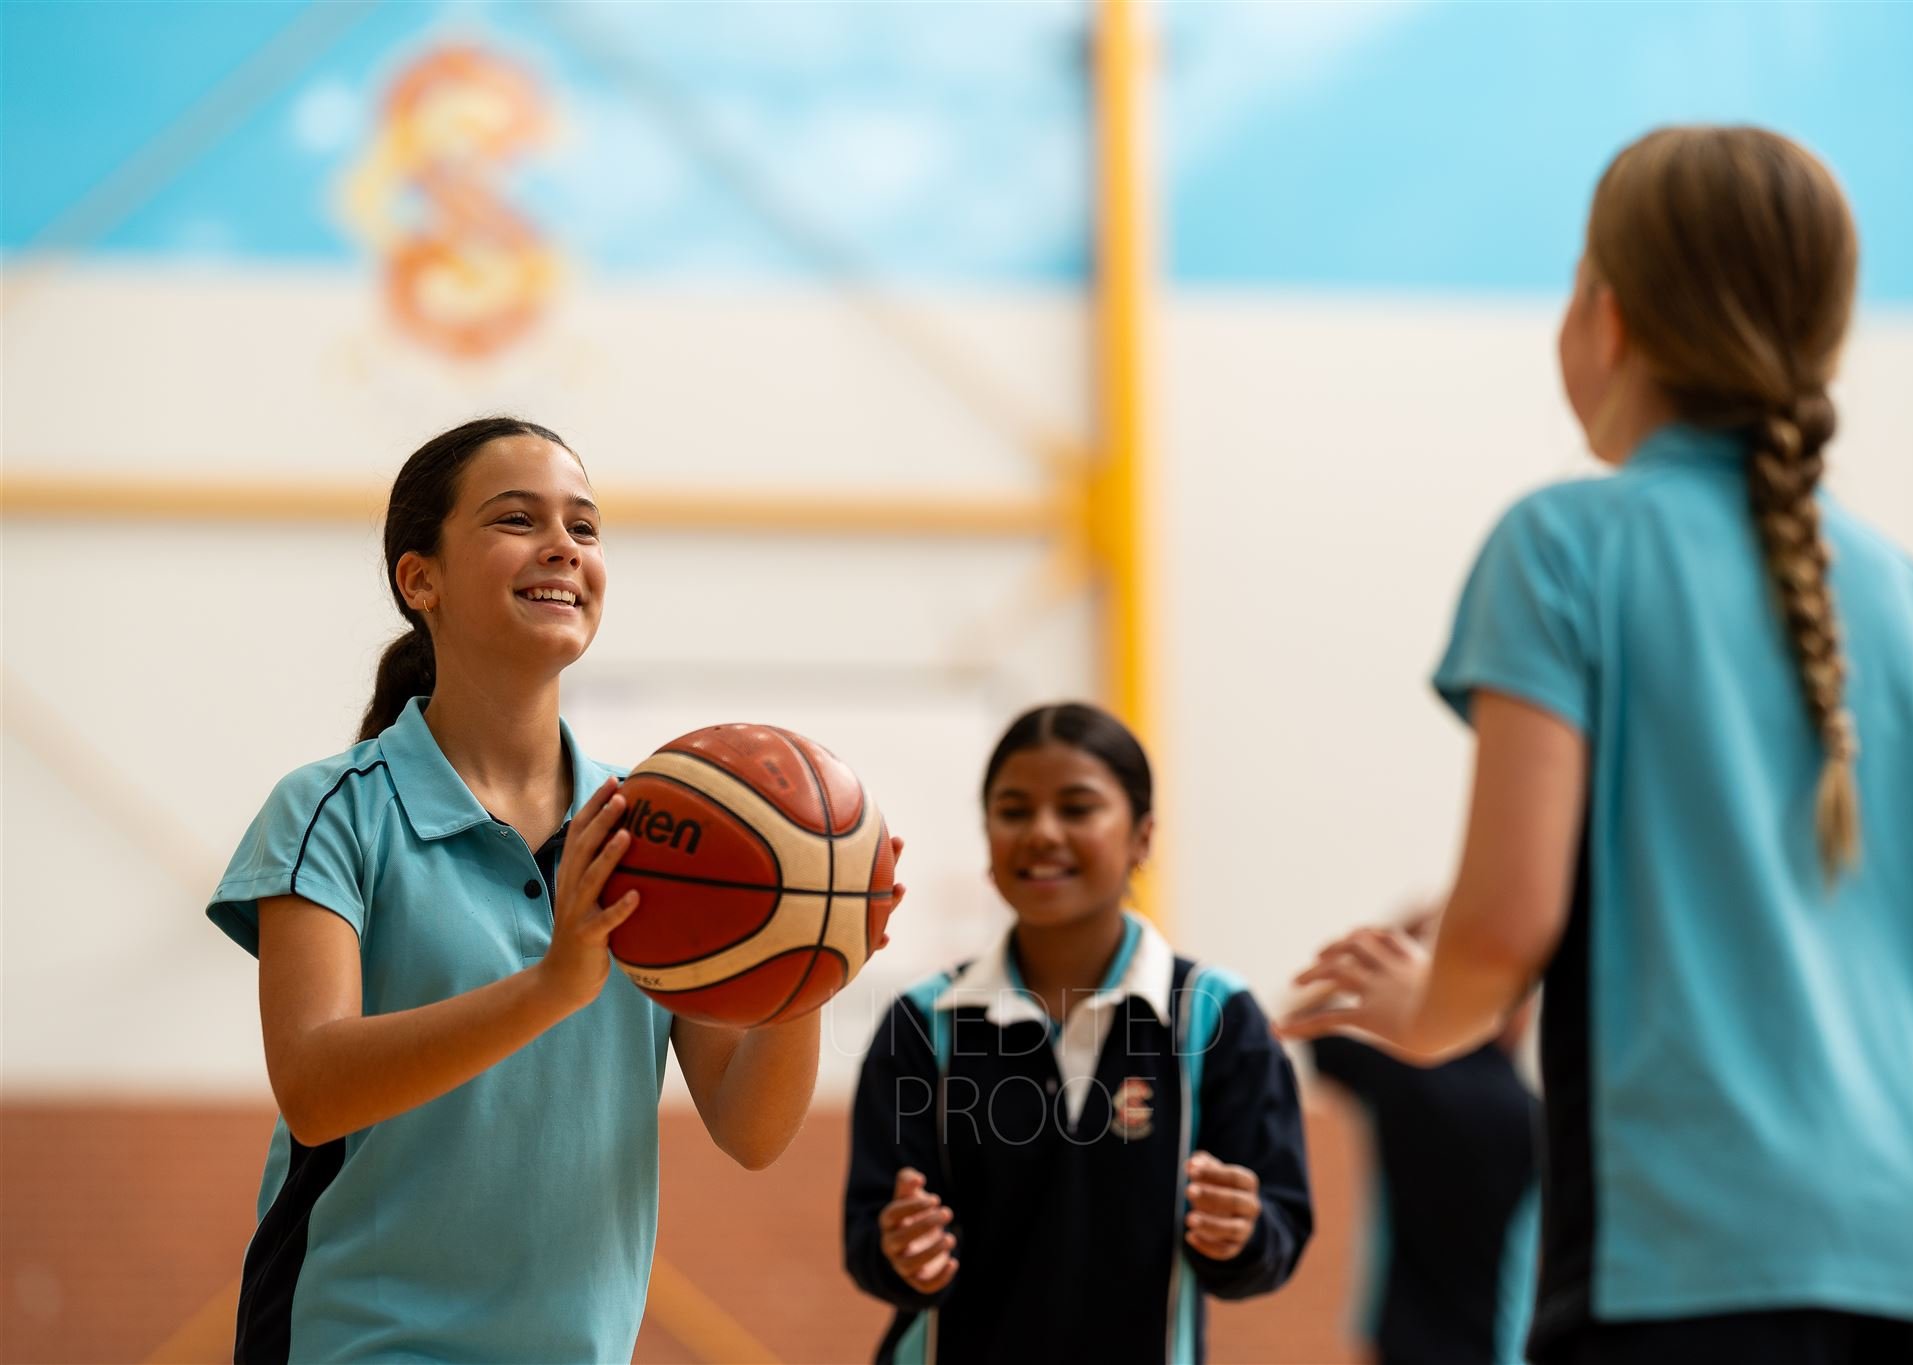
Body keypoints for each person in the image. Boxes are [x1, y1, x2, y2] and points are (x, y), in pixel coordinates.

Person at [1281, 126, 1913, 1365]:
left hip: (1690, 1274)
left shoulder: (1561, 546)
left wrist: (1425, 1013)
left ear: (1605, 314)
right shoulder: (1912, 600)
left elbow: (1505, 922)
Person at [207, 416, 902, 1363]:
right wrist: (551, 986)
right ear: (422, 580)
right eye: (516, 519)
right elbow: (317, 1086)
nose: (563, 548)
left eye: (584, 525)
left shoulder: (655, 830)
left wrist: (811, 953)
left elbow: (751, 1129)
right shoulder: (333, 809)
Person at [844, 702, 1311, 1364]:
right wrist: (897, 1252)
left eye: (1077, 807)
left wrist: (1244, 1234)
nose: (1041, 831)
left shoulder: (1218, 1017)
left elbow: (1277, 1232)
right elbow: (868, 1236)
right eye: (1013, 810)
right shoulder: (923, 1021)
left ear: (1143, 836)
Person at [1305, 912, 1539, 1365]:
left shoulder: (1403, 1081)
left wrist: (1389, 939)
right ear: (1522, 1012)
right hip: (1497, 1348)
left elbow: (1303, 1021)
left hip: (1399, 1341)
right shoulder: (1535, 1120)